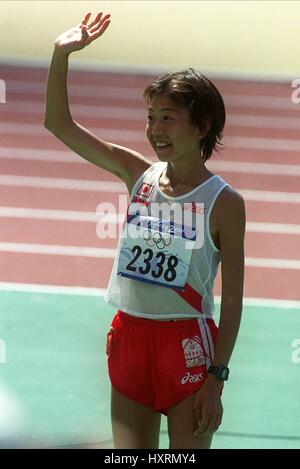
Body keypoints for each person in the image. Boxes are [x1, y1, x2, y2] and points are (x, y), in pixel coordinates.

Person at [44, 11, 245, 449]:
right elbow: (59, 124)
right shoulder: (138, 175)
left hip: (187, 348)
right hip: (131, 340)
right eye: (151, 117)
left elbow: (232, 305)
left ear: (203, 125)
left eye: (168, 118)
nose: (155, 130)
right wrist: (62, 55)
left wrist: (217, 378)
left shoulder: (225, 204)